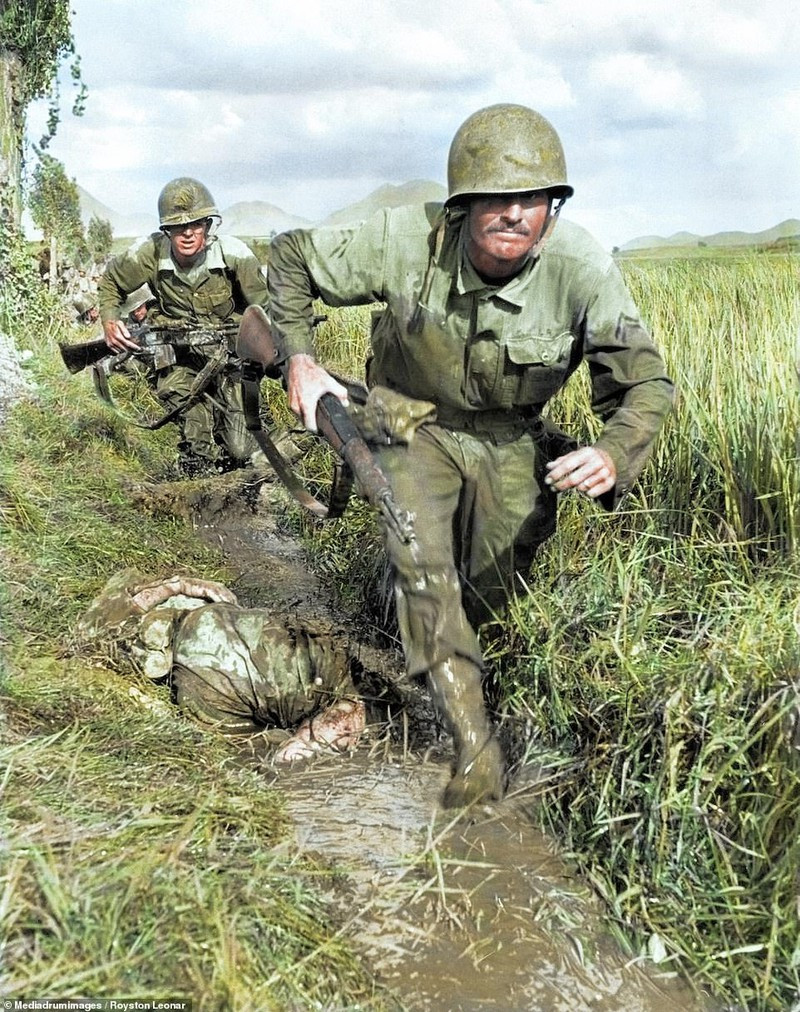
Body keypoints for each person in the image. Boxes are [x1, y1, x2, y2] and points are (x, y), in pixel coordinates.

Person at [266, 103, 675, 807]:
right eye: (495, 198)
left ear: (553, 207)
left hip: (512, 436)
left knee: (493, 591)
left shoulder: (583, 269)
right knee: (422, 562)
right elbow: (293, 256)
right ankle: (472, 746)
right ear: (462, 207)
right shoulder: (406, 240)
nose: (513, 214)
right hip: (407, 419)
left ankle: (464, 667)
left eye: (532, 199)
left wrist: (612, 452)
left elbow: (645, 384)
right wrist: (301, 360)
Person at [76, 569, 367, 761]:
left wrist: (178, 585)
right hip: (221, 676)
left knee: (338, 711)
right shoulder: (206, 681)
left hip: (223, 663)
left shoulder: (198, 613)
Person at [97, 177, 268, 475]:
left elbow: (265, 310)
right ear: (167, 230)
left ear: (208, 226)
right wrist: (111, 320)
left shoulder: (235, 255)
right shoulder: (148, 252)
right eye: (178, 227)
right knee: (194, 430)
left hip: (229, 358)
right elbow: (111, 282)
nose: (188, 233)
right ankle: (199, 469)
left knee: (240, 448)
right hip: (179, 357)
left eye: (196, 225)